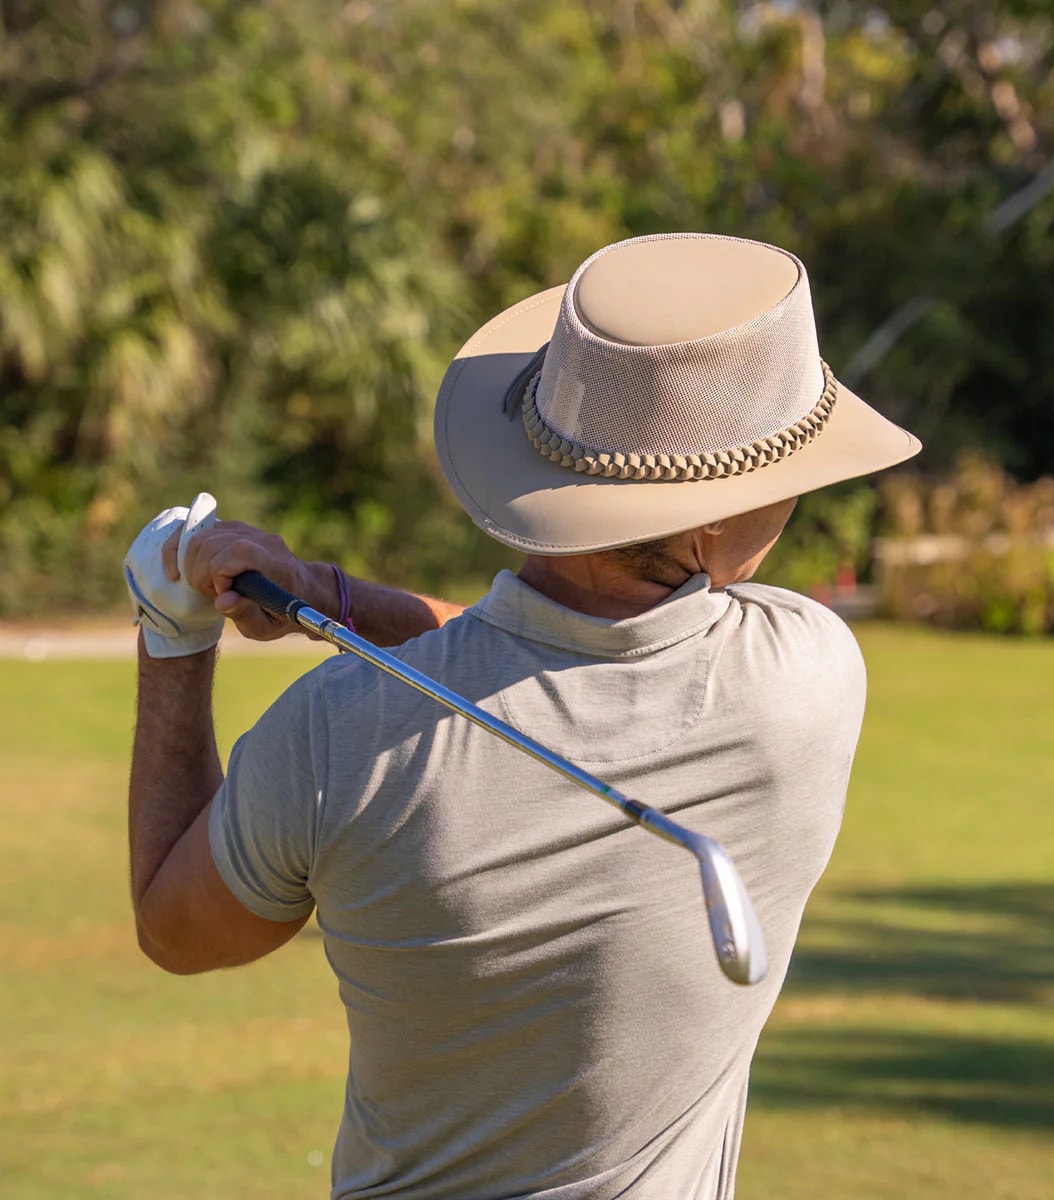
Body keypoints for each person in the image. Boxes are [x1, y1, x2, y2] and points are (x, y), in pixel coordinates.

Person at [125, 232, 919, 1199]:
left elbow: (179, 928)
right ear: (715, 514)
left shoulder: (334, 733)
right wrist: (328, 595)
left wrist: (172, 641)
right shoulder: (807, 677)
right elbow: (557, 655)